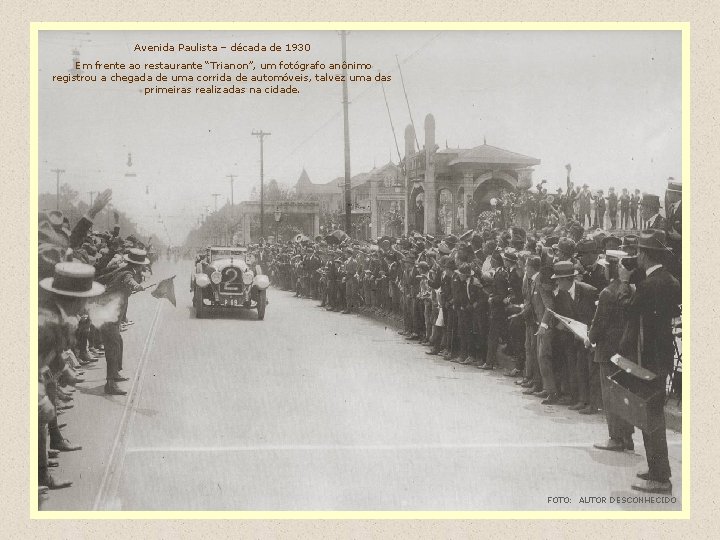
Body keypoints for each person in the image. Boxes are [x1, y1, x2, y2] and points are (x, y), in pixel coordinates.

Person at [617, 229, 681, 494]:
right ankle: (656, 469)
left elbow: (627, 310)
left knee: (650, 414)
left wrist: (623, 282)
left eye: (638, 253)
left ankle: (660, 475)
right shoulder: (671, 281)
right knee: (652, 413)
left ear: (643, 255)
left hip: (647, 358)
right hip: (662, 355)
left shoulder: (647, 285)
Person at [590, 250, 635, 451]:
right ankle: (627, 437)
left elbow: (598, 324)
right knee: (625, 394)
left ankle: (615, 437)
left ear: (613, 268)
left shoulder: (607, 292)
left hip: (607, 350)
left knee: (610, 394)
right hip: (626, 350)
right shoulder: (630, 289)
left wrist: (589, 338)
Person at [549, 260, 598, 411]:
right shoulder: (561, 294)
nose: (557, 283)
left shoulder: (589, 291)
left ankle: (592, 403)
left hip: (590, 338)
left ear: (566, 279)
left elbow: (596, 316)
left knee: (590, 370)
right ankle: (581, 400)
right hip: (574, 338)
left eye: (558, 280)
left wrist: (589, 335)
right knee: (578, 368)